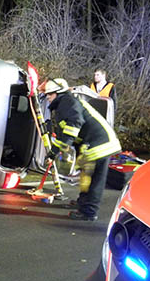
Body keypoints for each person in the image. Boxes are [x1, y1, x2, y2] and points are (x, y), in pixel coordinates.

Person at [43, 78, 121, 221]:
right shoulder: (62, 106)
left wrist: (66, 145)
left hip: (99, 144)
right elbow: (62, 135)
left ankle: (89, 212)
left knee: (93, 180)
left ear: (59, 92)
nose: (47, 97)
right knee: (86, 177)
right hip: (91, 144)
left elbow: (75, 123)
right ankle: (83, 203)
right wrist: (52, 153)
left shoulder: (68, 101)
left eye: (50, 94)